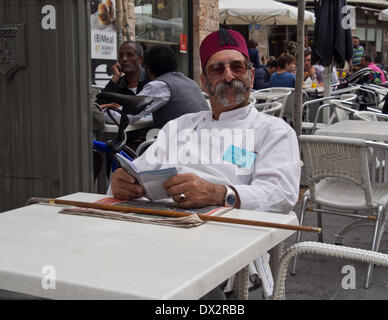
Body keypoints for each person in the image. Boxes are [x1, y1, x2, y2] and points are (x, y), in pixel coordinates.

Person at [109, 28, 301, 299]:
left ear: (249, 74)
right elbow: (141, 169)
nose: (229, 76)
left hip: (221, 245)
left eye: (237, 67)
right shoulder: (180, 126)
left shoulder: (273, 131)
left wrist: (220, 193)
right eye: (217, 69)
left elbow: (281, 194)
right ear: (204, 81)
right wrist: (124, 182)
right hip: (153, 233)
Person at [96, 41, 150, 106]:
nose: (124, 59)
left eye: (130, 55)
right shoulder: (118, 84)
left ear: (140, 59)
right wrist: (115, 78)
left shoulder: (151, 79)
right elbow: (99, 105)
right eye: (121, 56)